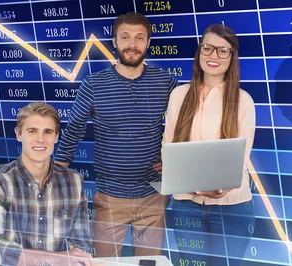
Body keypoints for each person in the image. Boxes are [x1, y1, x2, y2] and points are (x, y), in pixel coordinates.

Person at [54, 12, 179, 257]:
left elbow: (187, 124)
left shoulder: (166, 82)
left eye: (139, 38)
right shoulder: (93, 84)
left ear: (148, 42)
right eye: (125, 37)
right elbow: (74, 129)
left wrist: (178, 162)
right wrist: (55, 174)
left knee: (149, 264)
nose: (132, 44)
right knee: (103, 263)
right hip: (110, 198)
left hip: (153, 196)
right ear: (115, 41)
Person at [160, 24, 256, 265]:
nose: (214, 56)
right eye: (208, 48)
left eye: (223, 50)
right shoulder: (178, 96)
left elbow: (241, 157)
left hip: (231, 207)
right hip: (186, 205)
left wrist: (223, 186)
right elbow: (168, 145)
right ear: (199, 52)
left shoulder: (244, 101)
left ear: (232, 57)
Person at [0, 102, 93, 266]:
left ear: (56, 137)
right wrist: (60, 259)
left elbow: (81, 245)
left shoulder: (74, 182)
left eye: (48, 132)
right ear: (19, 135)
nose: (40, 139)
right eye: (32, 131)